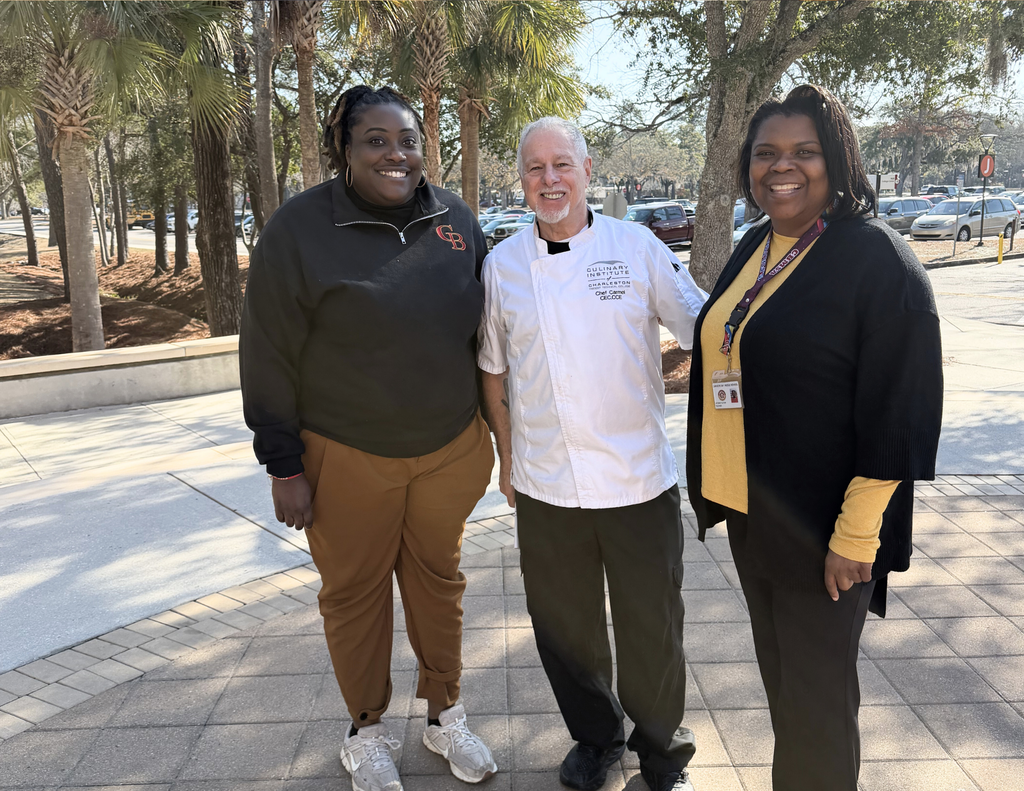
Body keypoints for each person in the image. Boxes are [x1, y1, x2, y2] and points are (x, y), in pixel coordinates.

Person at [239, 85, 498, 791]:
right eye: (376, 141)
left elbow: (489, 335)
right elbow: (267, 352)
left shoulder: (455, 220)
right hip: (345, 453)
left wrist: (494, 439)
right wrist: (283, 461)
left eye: (407, 140)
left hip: (447, 448)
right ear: (344, 151)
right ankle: (366, 730)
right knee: (354, 593)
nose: (396, 154)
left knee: (439, 583)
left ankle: (446, 713)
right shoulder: (299, 230)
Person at [685, 84, 943, 791]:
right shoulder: (757, 244)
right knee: (795, 695)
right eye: (766, 153)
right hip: (751, 511)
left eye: (803, 152)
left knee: (816, 702)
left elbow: (901, 412)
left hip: (828, 530)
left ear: (838, 159)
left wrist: (856, 537)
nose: (781, 167)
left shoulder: (877, 263)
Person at [478, 117, 707, 791]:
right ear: (521, 182)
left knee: (652, 630)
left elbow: (702, 325)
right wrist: (506, 452)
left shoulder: (636, 248)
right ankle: (597, 736)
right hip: (547, 484)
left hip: (638, 480)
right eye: (534, 169)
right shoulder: (503, 266)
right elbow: (493, 369)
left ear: (586, 169)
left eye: (561, 165)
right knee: (563, 630)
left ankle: (663, 753)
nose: (549, 179)